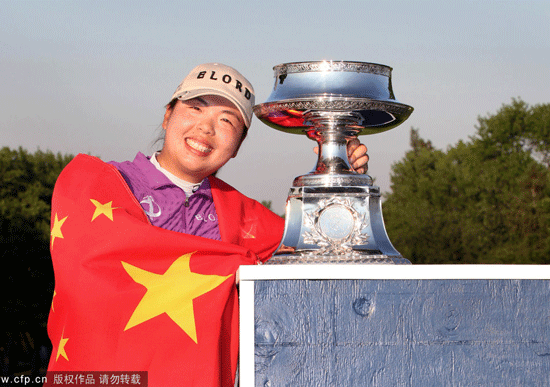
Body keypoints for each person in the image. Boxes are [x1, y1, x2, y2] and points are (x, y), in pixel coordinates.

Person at [45, 63, 369, 387]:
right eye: (195, 108)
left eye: (226, 121)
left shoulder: (246, 217)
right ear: (167, 115)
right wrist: (232, 269)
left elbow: (324, 262)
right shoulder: (96, 185)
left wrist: (340, 184)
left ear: (238, 146)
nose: (205, 128)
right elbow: (93, 277)